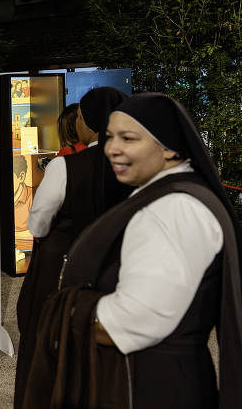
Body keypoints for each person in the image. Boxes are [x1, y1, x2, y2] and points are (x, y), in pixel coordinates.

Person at [25, 93, 242, 408]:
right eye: (110, 136)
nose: (112, 148)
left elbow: (129, 322)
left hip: (151, 387)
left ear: (168, 147)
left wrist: (68, 312)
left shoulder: (173, 210)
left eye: (128, 138)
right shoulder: (174, 195)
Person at [13, 87, 127, 409]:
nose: (75, 121)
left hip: (61, 275)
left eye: (78, 116)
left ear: (90, 124)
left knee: (47, 347)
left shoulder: (66, 167)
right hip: (113, 274)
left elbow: (37, 224)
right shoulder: (133, 167)